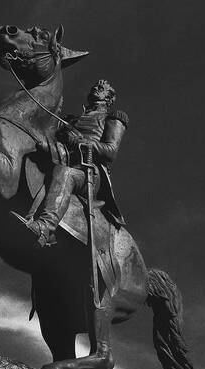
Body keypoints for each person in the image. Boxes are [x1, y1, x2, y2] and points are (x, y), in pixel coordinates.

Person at [25, 79, 128, 247]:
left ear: (108, 97)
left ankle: (45, 227)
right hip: (61, 157)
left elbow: (111, 151)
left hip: (89, 172)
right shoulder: (73, 120)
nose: (95, 88)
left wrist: (78, 142)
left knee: (65, 174)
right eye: (94, 86)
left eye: (100, 88)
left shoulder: (112, 118)